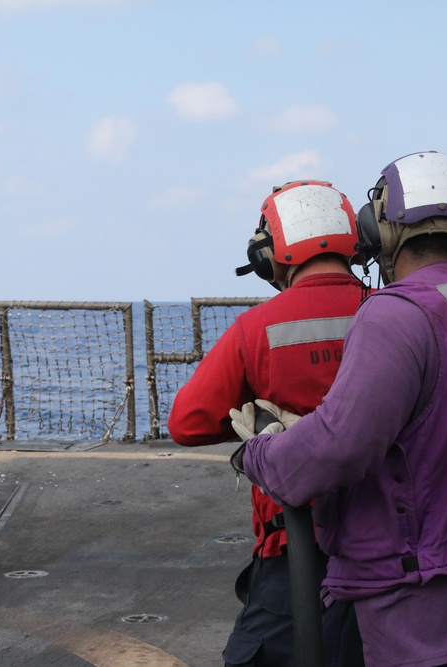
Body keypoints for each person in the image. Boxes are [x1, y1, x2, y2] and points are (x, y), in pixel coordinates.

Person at [238, 152, 447, 666]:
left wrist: (260, 452)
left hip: (412, 614)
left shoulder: (394, 314)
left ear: (379, 232)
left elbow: (335, 451)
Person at [167, 180, 369, 666]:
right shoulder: (395, 309)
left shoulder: (259, 328)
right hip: (394, 544)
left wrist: (256, 419)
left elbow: (187, 423)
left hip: (295, 548)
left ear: (270, 255)